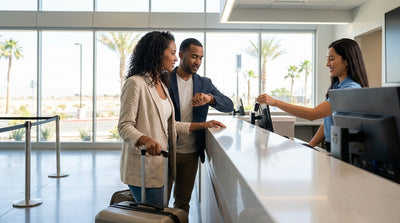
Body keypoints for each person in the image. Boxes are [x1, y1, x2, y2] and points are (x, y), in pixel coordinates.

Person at [118, 31, 226, 207]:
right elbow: (124, 126)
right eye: (172, 53)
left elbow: (170, 125)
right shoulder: (135, 83)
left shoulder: (160, 83)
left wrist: (203, 125)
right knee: (154, 217)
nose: (175, 58)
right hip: (144, 166)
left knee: (161, 214)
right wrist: (145, 139)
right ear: (157, 53)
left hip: (160, 166)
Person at [256, 38, 369, 151]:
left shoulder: (349, 90)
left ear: (347, 61)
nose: (327, 64)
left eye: (331, 59)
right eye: (327, 59)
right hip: (333, 146)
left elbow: (312, 114)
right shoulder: (337, 87)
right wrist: (310, 146)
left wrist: (275, 102)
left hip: (345, 151)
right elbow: (328, 122)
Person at [168, 38, 234, 213]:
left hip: (191, 153)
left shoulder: (205, 83)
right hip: (166, 151)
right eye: (194, 57)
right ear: (181, 55)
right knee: (159, 204)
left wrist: (210, 98)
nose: (197, 62)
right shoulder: (164, 79)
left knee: (182, 204)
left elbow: (229, 105)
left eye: (201, 58)